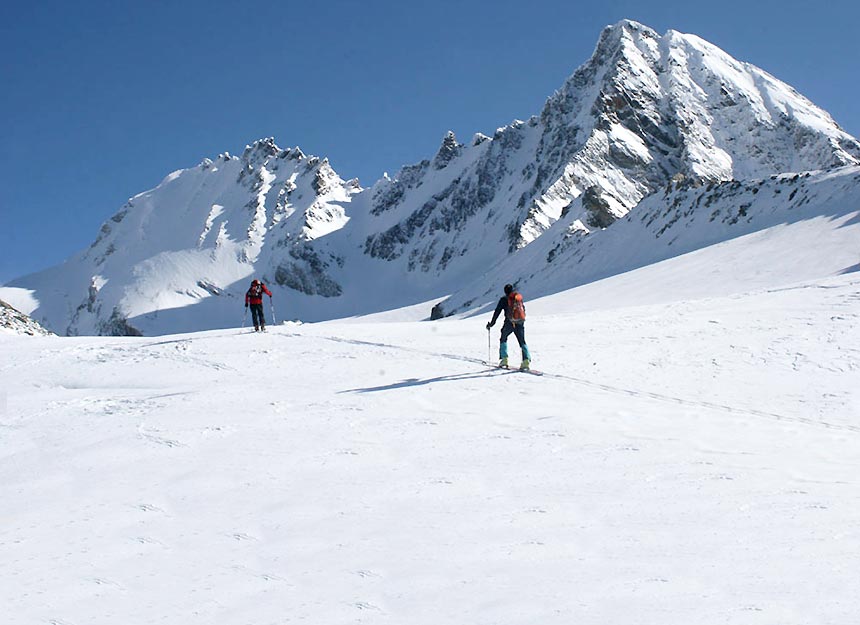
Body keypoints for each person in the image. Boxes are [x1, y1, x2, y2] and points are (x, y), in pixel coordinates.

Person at [486, 283, 531, 369]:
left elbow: (497, 312)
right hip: (520, 322)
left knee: (503, 338)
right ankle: (526, 361)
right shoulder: (518, 298)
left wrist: (491, 323)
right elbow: (523, 309)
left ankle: (504, 359)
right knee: (522, 341)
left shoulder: (503, 299)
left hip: (509, 322)